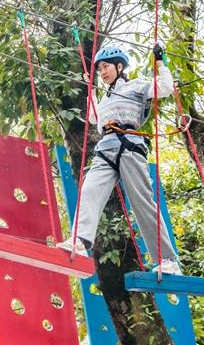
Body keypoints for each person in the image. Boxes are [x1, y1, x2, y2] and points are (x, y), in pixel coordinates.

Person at [57, 43, 181, 274]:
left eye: (106, 67)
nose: (102, 72)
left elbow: (165, 87)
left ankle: (167, 260)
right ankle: (80, 241)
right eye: (100, 68)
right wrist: (90, 91)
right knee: (89, 190)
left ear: (119, 66)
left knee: (141, 201)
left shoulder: (137, 86)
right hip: (106, 147)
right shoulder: (105, 98)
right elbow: (94, 118)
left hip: (129, 146)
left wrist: (160, 62)